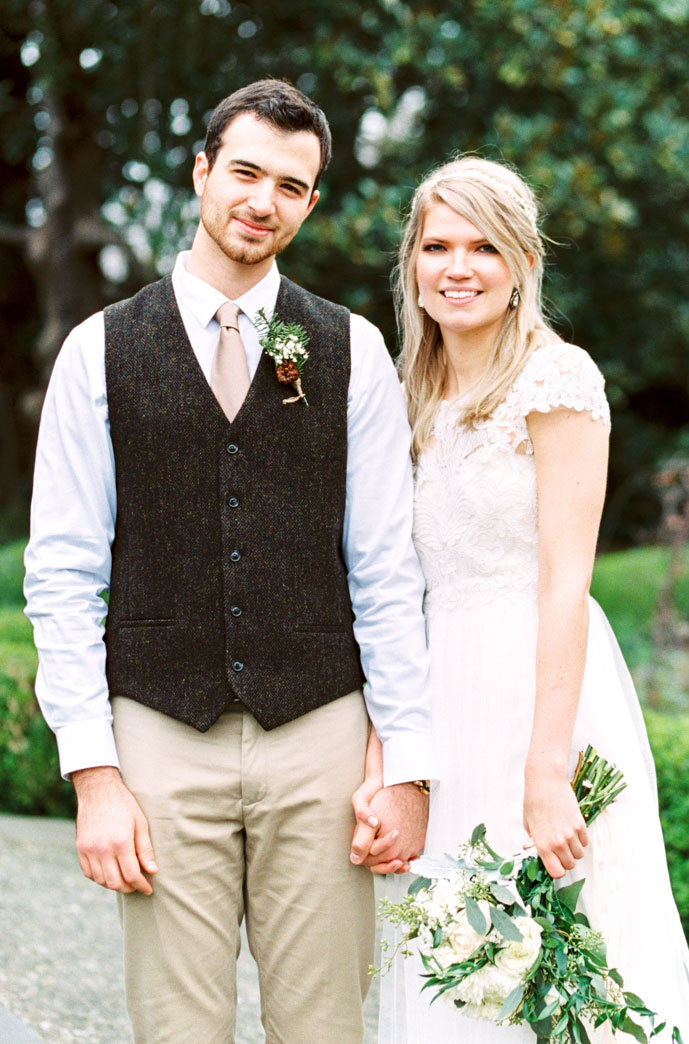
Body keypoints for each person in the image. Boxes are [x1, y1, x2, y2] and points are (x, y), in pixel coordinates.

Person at [23, 79, 432, 1044]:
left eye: (291, 186)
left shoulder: (351, 349)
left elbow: (384, 567)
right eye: (245, 172)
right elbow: (64, 572)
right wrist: (94, 773)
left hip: (322, 733)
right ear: (202, 171)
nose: (263, 200)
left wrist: (407, 764)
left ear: (311, 202)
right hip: (161, 731)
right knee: (176, 1030)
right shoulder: (99, 349)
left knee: (326, 1027)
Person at [361, 156, 689, 1042]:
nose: (458, 267)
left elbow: (566, 582)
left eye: (483, 246)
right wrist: (385, 757)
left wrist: (548, 773)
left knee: (561, 965)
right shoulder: (409, 393)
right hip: (439, 701)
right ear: (413, 267)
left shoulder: (558, 383)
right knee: (455, 968)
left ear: (521, 265)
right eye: (437, 246)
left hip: (537, 701)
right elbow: (390, 589)